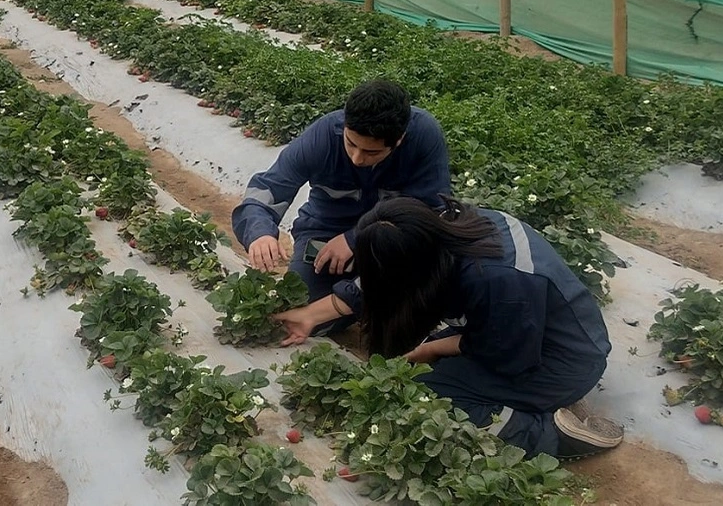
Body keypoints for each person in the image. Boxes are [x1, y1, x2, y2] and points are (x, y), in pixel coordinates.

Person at [272, 196, 624, 460]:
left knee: (433, 399)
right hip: (523, 331)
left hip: (559, 358)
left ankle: (552, 434)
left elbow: (506, 355)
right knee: (419, 371)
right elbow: (385, 279)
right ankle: (539, 399)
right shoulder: (435, 231)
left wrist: (432, 348)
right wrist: (312, 314)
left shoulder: (499, 280)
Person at [231, 79, 450, 326]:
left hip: (392, 241)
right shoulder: (322, 137)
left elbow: (431, 213)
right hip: (325, 235)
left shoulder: (424, 137)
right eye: (351, 143)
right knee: (302, 312)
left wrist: (355, 238)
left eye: (371, 153)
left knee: (405, 316)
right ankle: (361, 298)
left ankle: (374, 299)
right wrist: (260, 232)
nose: (357, 158)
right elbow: (268, 189)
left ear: (398, 140)